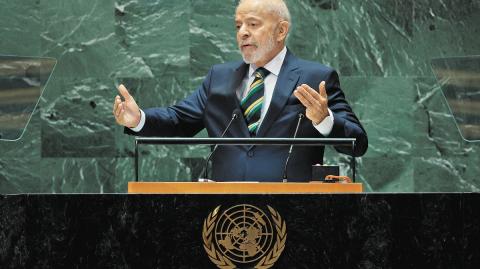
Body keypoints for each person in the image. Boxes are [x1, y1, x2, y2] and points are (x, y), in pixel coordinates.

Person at [113, 0, 368, 182]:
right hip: (226, 215)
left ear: (281, 30)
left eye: (253, 24)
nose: (243, 32)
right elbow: (179, 121)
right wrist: (139, 120)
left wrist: (325, 120)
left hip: (296, 213)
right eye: (238, 26)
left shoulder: (316, 78)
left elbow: (358, 143)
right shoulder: (220, 78)